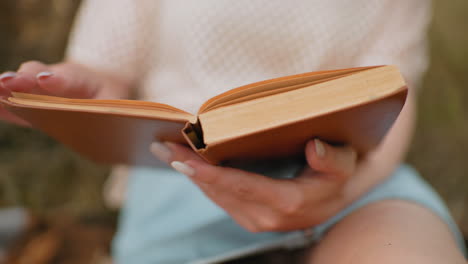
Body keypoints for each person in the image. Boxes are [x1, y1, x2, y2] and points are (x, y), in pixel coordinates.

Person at [0, 0, 466, 263]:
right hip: (179, 193)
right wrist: (68, 94)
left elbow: (395, 94)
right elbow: (103, 73)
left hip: (356, 189)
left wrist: (341, 196)